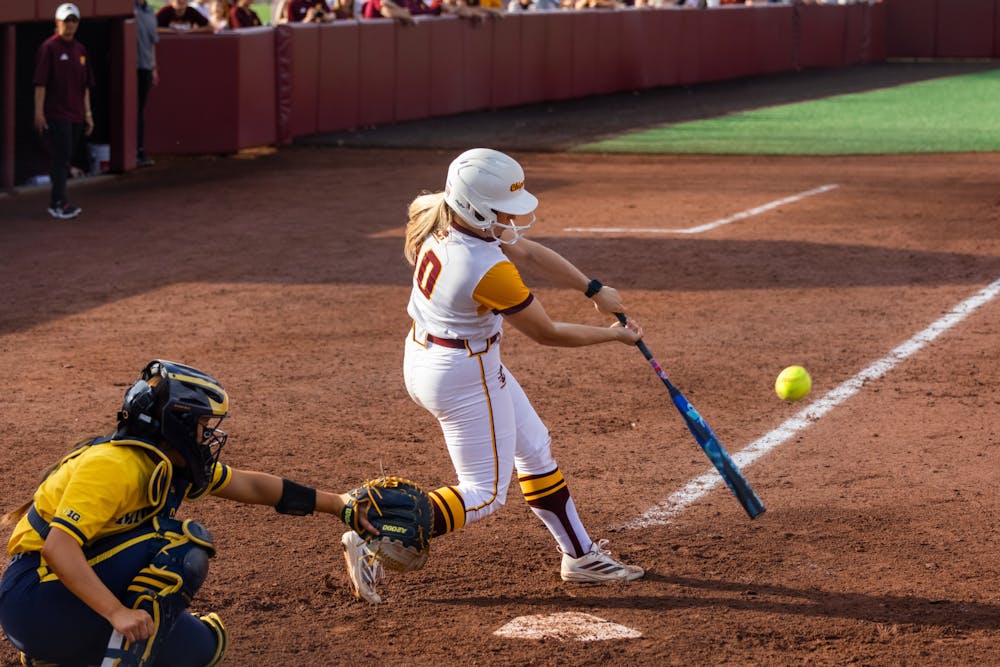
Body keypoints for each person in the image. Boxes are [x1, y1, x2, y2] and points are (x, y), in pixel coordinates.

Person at [341, 148, 645, 605]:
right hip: (465, 373)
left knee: (535, 448)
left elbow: (527, 249)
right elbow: (547, 332)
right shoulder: (484, 268)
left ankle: (580, 556)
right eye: (505, 208)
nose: (513, 217)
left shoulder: (444, 221)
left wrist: (594, 289)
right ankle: (375, 529)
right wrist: (614, 336)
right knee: (484, 494)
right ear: (478, 207)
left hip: (432, 356)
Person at [0, 360, 377, 665]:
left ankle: (61, 656)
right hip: (35, 598)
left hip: (64, 608)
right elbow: (58, 548)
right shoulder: (114, 466)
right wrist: (117, 612)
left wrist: (338, 504)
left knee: (204, 647)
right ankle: (112, 656)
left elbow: (250, 485)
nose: (207, 436)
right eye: (200, 425)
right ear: (174, 426)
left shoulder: (162, 464)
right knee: (181, 547)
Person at [33, 3, 93, 220]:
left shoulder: (80, 50)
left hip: (76, 113)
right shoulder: (48, 48)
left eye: (74, 21)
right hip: (56, 113)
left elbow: (85, 85)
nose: (70, 25)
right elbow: (40, 83)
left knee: (65, 157)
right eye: (66, 21)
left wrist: (88, 114)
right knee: (61, 157)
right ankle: (58, 202)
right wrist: (38, 113)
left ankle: (60, 199)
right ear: (57, 22)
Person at [135, 0, 158, 168]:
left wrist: (154, 67)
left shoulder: (150, 12)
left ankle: (139, 150)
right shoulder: (130, 9)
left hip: (145, 67)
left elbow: (152, 43)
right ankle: (135, 150)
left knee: (140, 110)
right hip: (131, 68)